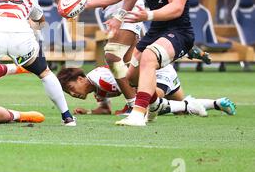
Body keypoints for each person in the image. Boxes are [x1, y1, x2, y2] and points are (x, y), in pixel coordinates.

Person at [85, 0, 195, 126]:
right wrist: (82, 4)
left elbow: (176, 9)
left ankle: (137, 114)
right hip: (156, 31)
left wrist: (148, 15)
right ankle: (161, 106)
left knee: (148, 57)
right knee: (132, 78)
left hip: (179, 32)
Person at [57, 65, 236, 119]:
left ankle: (195, 106)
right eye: (69, 94)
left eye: (72, 88)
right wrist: (88, 111)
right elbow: (105, 110)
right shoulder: (97, 87)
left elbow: (135, 95)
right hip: (161, 73)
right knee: (180, 109)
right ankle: (217, 103)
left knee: (151, 107)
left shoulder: (100, 79)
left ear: (80, 79)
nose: (73, 94)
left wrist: (130, 110)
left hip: (158, 73)